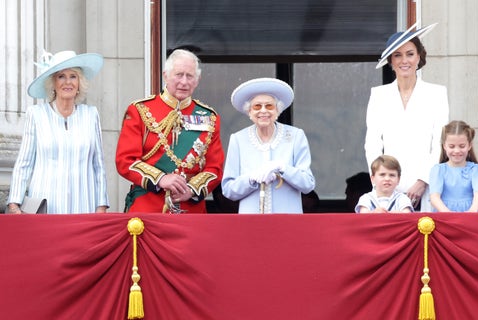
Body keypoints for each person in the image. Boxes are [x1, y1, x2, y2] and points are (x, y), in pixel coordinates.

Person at [115, 49, 224, 213]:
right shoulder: (140, 110)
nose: (184, 82)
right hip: (148, 208)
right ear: (165, 76)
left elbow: (215, 168)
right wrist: (161, 179)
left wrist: (192, 190)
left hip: (191, 211)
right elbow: (125, 160)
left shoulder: (210, 117)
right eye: (179, 75)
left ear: (197, 80)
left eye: (190, 76)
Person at [6, 50, 109, 214]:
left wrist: (101, 205)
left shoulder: (91, 115)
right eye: (61, 76)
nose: (67, 82)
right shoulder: (36, 114)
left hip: (84, 207)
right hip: (45, 209)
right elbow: (24, 163)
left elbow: (98, 165)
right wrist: (14, 204)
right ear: (52, 82)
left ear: (79, 83)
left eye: (73, 76)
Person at [364, 21, 449, 212]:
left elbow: (439, 141)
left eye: (410, 54)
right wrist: (382, 179)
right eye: (398, 55)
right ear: (391, 61)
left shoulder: (437, 93)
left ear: (419, 57)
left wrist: (422, 181)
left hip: (427, 187)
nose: (404, 61)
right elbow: (372, 143)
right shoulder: (379, 95)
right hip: (387, 187)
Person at [221, 78, 315, 213]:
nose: (263, 111)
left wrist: (283, 168)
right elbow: (228, 190)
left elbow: (308, 184)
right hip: (251, 222)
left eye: (269, 106)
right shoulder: (238, 139)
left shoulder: (295, 136)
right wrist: (251, 178)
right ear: (249, 112)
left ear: (278, 110)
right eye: (257, 106)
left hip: (287, 222)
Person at [429, 120, 478, 212]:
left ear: (469, 146)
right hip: (444, 216)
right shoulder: (438, 170)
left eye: (462, 146)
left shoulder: (477, 169)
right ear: (444, 146)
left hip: (471, 216)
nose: (456, 150)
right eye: (452, 146)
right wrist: (448, 213)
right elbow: (434, 197)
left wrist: (473, 210)